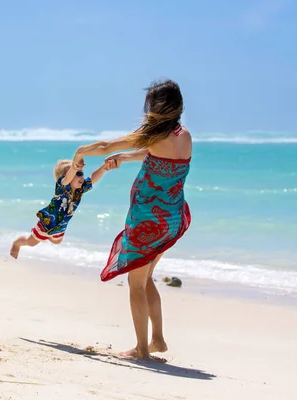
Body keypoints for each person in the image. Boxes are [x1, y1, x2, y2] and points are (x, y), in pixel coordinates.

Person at [73, 79, 192, 359]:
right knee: (146, 276)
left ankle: (141, 349)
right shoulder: (183, 135)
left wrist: (80, 152)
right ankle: (158, 339)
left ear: (157, 107)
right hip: (171, 218)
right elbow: (154, 152)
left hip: (146, 221)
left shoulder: (150, 134)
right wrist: (125, 157)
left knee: (136, 284)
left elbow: (104, 146)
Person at [10, 158, 115, 259]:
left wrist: (104, 167)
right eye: (78, 174)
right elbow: (67, 179)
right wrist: (74, 168)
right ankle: (17, 243)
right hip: (47, 224)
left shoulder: (80, 190)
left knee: (57, 241)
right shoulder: (62, 188)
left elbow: (92, 178)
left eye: (82, 173)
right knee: (31, 242)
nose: (82, 177)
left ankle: (45, 235)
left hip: (61, 226)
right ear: (66, 176)